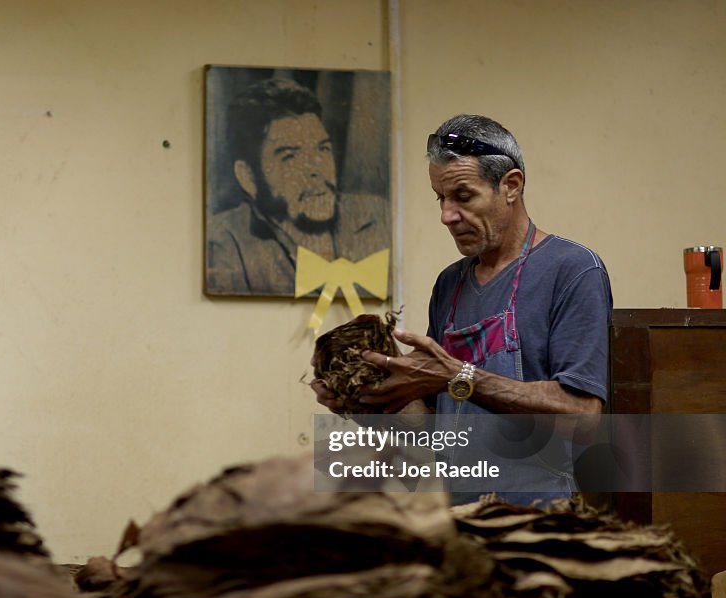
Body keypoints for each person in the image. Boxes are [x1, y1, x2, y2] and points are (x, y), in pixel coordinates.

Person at [313, 114, 613, 504]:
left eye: (463, 196)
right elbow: (434, 432)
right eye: (441, 198)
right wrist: (370, 404)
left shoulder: (572, 270)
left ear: (511, 186)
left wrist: (459, 375)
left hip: (537, 522)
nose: (446, 216)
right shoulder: (450, 285)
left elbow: (582, 417)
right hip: (459, 516)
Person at [206, 77, 390, 296]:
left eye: (322, 149)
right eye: (290, 156)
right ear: (247, 177)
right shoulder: (223, 243)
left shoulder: (379, 216)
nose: (316, 169)